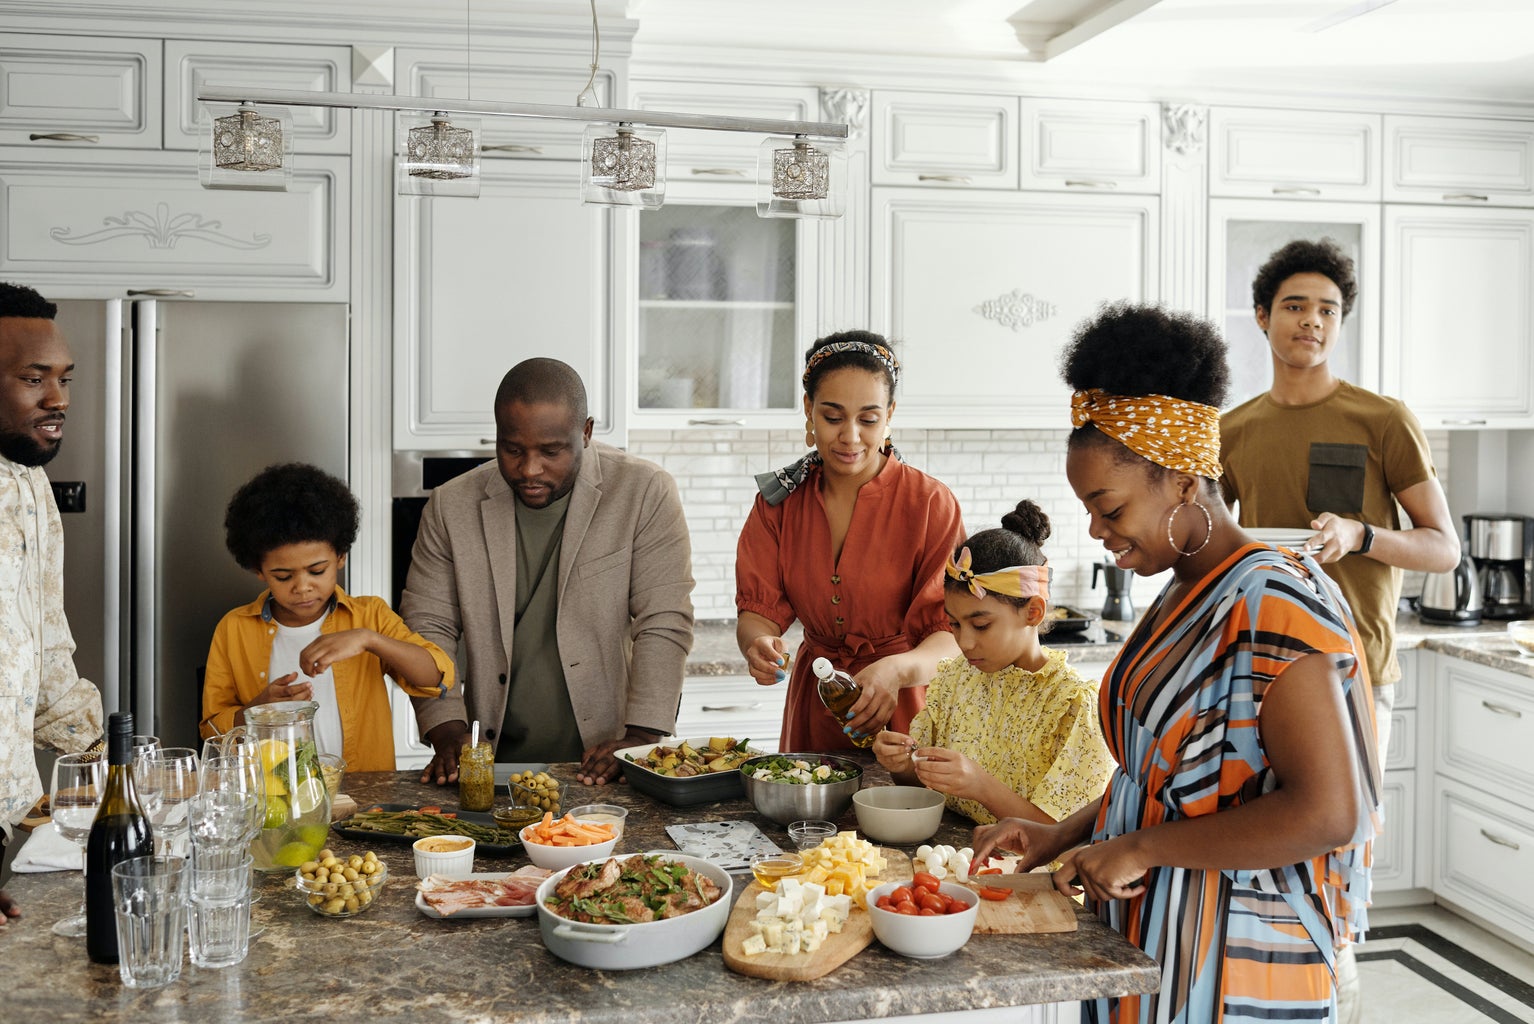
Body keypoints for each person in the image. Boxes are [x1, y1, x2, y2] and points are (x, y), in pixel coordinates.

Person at [973, 303, 1383, 1024]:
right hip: (1158, 934)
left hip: (1238, 957)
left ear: (1185, 482)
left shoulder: (1272, 601)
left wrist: (1142, 848)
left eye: (1108, 507)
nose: (1097, 532)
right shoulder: (1183, 591)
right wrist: (1061, 834)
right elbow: (1174, 780)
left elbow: (1329, 812)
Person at [1220, 237, 1459, 770]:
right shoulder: (1231, 430)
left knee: (1347, 840)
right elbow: (1209, 539)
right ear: (1262, 316)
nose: (1312, 321)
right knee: (1260, 841)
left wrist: (1360, 535)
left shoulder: (1383, 419)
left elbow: (1445, 549)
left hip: (1353, 663)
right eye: (1295, 306)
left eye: (1327, 309)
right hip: (1261, 662)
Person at [402, 357, 694, 787]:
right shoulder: (451, 506)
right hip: (493, 762)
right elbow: (428, 625)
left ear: (587, 433)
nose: (529, 470)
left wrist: (641, 738)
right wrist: (445, 726)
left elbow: (664, 620)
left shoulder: (644, 491)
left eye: (551, 451)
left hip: (606, 760)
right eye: (513, 449)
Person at [736, 330, 963, 752]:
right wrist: (758, 645)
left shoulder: (931, 504)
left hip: (908, 708)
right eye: (833, 417)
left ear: (890, 414)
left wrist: (895, 672)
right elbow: (758, 611)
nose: (851, 437)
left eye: (869, 419)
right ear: (809, 410)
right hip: (815, 703)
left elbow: (951, 635)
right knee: (808, 816)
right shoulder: (777, 505)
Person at [200, 462, 455, 772]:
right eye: (283, 576)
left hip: (364, 795)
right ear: (259, 571)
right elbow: (212, 731)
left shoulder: (369, 616)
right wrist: (259, 711)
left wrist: (368, 640)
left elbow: (437, 678)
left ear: (341, 556)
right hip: (271, 797)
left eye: (317, 571)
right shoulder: (233, 629)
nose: (303, 587)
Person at [873, 500, 1113, 826]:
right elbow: (926, 786)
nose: (964, 642)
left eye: (981, 625)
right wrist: (902, 766)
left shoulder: (1072, 705)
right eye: (954, 624)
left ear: (1033, 612)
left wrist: (980, 785)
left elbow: (1062, 836)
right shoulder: (954, 679)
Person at [0, 282, 104, 925]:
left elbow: (43, 650)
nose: (57, 399)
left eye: (64, 378)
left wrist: (113, 765)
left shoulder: (31, 488)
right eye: (33, 379)